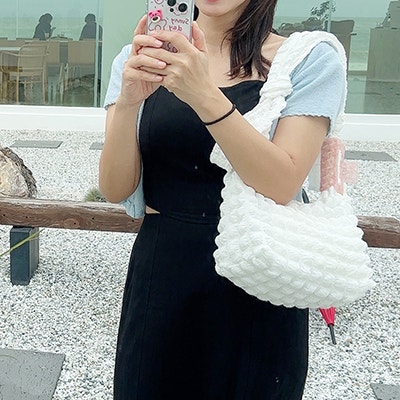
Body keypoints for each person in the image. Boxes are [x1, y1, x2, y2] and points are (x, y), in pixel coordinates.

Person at [99, 1, 346, 399]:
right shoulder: (140, 57)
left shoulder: (308, 60)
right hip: (162, 279)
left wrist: (203, 94)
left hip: (260, 281)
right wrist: (128, 104)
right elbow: (115, 188)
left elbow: (282, 182)